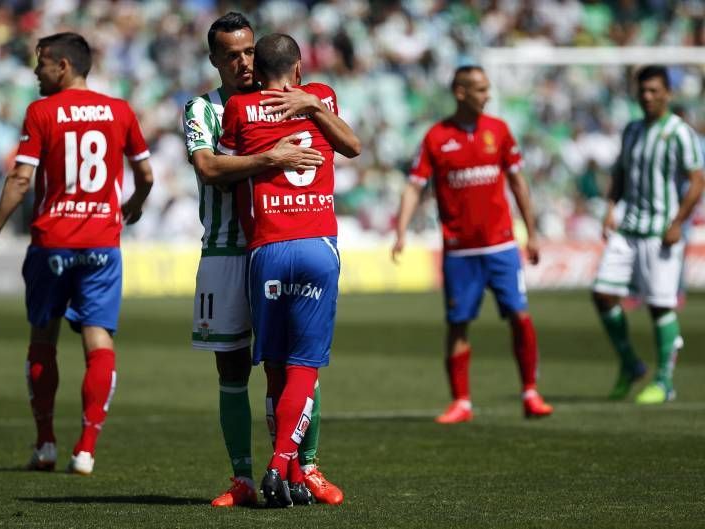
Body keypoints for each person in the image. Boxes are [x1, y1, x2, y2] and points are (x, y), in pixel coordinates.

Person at [0, 32, 153, 475]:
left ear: (64, 66)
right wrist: (134, 205)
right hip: (101, 244)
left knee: (43, 339)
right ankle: (86, 448)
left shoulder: (42, 112)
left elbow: (19, 179)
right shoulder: (120, 111)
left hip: (53, 243)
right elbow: (145, 173)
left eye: (42, 64)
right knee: (98, 339)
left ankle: (46, 444)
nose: (36, 72)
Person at [182, 13, 343, 507]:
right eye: (231, 55)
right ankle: (243, 479)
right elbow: (208, 166)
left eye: (249, 51)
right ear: (214, 61)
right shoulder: (202, 108)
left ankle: (305, 468)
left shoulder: (291, 100)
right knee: (232, 371)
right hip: (226, 253)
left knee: (294, 361)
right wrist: (269, 159)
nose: (243, 62)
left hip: (276, 245)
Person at [218, 32, 361, 508]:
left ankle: (291, 472)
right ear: (299, 69)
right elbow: (353, 146)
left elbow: (223, 166)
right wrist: (314, 107)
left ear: (257, 70)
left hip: (267, 248)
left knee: (275, 364)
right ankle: (285, 467)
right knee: (303, 363)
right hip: (319, 244)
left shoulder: (239, 107)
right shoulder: (321, 96)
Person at [391, 65, 553, 424]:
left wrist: (532, 231)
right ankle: (461, 402)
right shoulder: (436, 137)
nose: (487, 95)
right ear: (460, 92)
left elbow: (518, 183)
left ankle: (530, 392)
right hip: (460, 251)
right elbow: (415, 185)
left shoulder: (500, 131)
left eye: (487, 88)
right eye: (479, 89)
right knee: (458, 324)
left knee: (520, 316)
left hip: (501, 246)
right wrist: (401, 230)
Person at [592, 65, 704, 404]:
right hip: (629, 230)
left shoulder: (679, 132)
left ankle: (664, 381)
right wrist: (611, 207)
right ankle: (630, 364)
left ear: (667, 93)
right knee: (602, 293)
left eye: (654, 90)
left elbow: (697, 180)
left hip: (660, 232)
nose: (648, 96)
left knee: (659, 306)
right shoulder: (632, 131)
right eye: (643, 91)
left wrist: (676, 223)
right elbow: (620, 174)